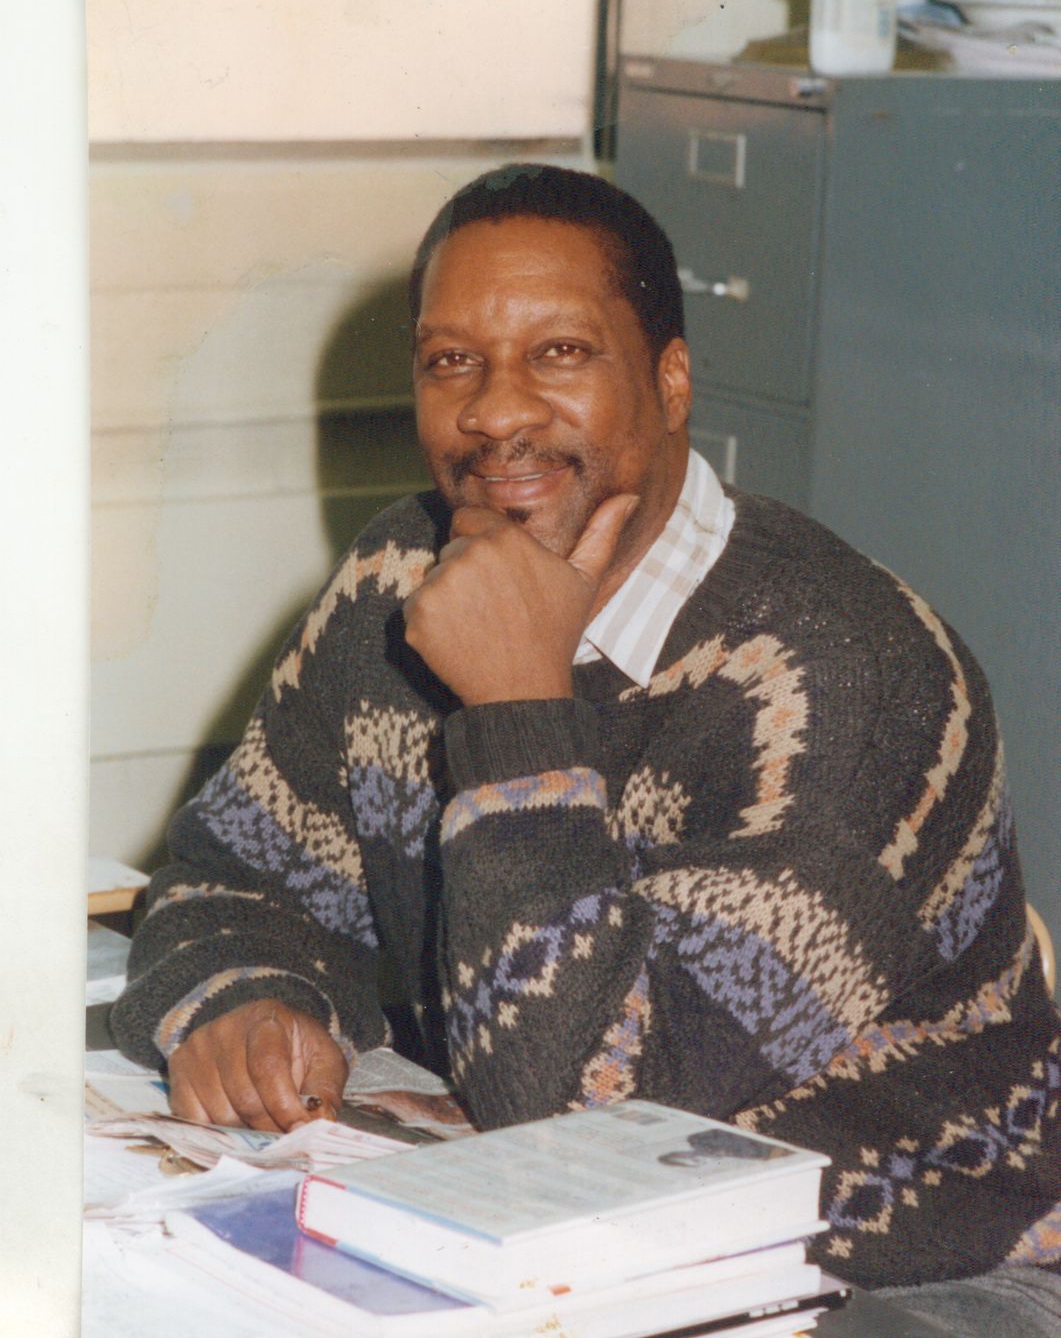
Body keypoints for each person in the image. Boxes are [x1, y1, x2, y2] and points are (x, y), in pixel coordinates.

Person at [112, 164, 1060, 1327]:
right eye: (450, 361)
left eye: (557, 353)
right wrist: (246, 996)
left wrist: (515, 704)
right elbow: (233, 874)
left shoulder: (849, 674)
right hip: (567, 1252)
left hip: (903, 1275)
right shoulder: (398, 578)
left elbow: (592, 1122)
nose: (495, 410)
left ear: (669, 380)